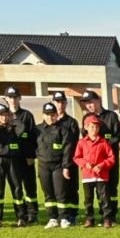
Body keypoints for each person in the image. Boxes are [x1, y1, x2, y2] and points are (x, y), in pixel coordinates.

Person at [79, 90, 120, 224]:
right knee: (97, 190)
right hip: (93, 162)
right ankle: (102, 215)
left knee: (111, 188)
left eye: (91, 102)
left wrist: (104, 144)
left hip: (109, 159)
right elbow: (85, 138)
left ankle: (111, 215)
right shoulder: (86, 118)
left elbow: (117, 136)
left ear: (98, 100)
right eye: (86, 103)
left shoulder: (111, 116)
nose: (89, 105)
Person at [2, 87, 40, 226]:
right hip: (12, 158)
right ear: (6, 99)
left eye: (15, 97)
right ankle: (21, 215)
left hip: (26, 157)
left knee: (30, 186)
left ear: (20, 98)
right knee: (16, 187)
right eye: (10, 97)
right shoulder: (2, 115)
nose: (13, 100)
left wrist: (31, 155)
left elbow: (32, 137)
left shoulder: (26, 115)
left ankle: (32, 214)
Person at [73, 112, 116, 228]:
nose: (95, 129)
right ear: (86, 127)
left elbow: (111, 158)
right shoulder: (81, 143)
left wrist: (101, 165)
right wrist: (85, 164)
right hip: (87, 176)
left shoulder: (104, 142)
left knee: (104, 198)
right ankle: (89, 219)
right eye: (92, 126)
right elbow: (77, 157)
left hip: (102, 175)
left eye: (97, 126)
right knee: (88, 199)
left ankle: (107, 219)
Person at [35, 101, 74, 229]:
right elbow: (31, 146)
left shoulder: (63, 129)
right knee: (48, 193)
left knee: (60, 192)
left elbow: (68, 149)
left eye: (52, 115)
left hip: (58, 166)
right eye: (47, 115)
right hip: (43, 165)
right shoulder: (37, 130)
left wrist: (66, 167)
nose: (50, 117)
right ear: (43, 115)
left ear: (57, 115)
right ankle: (52, 218)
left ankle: (63, 218)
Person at [0, 103, 28, 227]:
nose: (4, 118)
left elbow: (22, 130)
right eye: (1, 115)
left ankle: (21, 217)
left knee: (17, 188)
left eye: (6, 114)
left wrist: (14, 119)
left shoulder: (14, 126)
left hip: (13, 160)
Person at [48, 92, 81, 226]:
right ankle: (56, 215)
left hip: (70, 160)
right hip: (54, 162)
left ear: (66, 103)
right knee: (55, 190)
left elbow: (71, 144)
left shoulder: (71, 122)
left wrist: (67, 162)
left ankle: (72, 214)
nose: (59, 104)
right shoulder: (50, 121)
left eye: (62, 102)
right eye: (57, 101)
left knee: (71, 188)